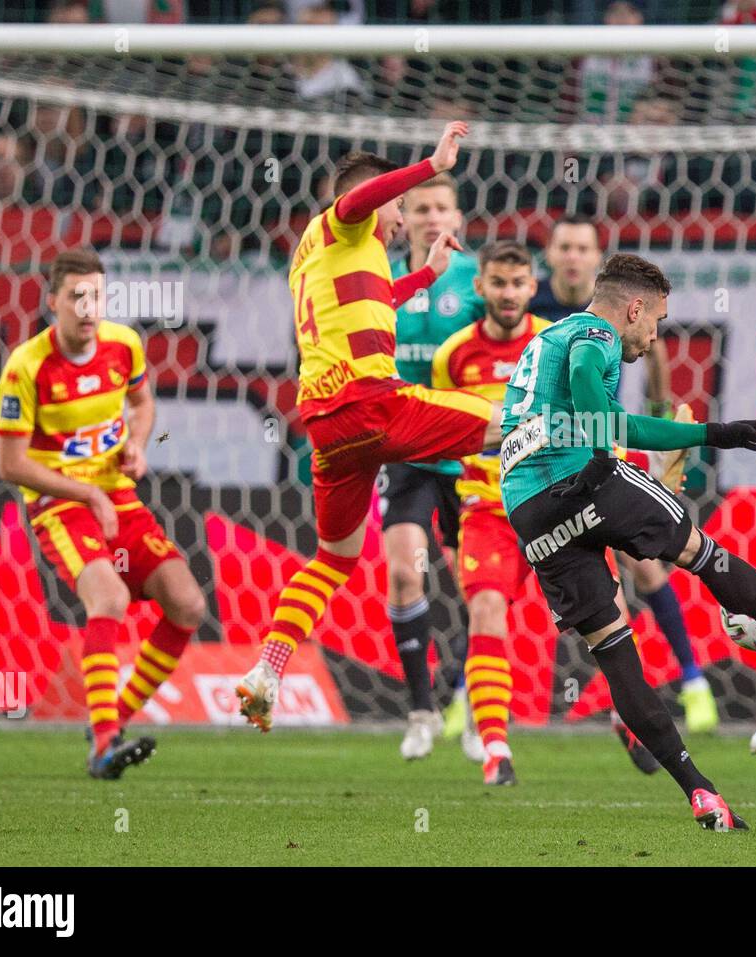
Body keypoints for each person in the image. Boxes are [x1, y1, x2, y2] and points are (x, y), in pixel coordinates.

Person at [499, 253, 756, 830]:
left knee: (614, 653)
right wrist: (715, 433)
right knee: (700, 554)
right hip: (580, 477)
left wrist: (603, 434)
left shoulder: (543, 341)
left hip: (529, 509)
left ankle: (702, 794)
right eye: (656, 321)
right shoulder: (594, 332)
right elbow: (595, 401)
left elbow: (600, 424)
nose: (654, 335)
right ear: (633, 308)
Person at [235, 122, 504, 732]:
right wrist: (431, 164)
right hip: (371, 404)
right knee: (513, 417)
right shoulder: (345, 221)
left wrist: (429, 274)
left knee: (333, 558)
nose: (403, 224)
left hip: (326, 429)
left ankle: (267, 671)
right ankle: (609, 454)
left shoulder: (320, 259)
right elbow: (357, 200)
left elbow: (382, 297)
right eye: (401, 211)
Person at [0, 248, 207, 779]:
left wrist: (137, 444)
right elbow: (10, 464)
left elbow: (142, 404)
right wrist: (86, 494)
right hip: (60, 505)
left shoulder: (124, 345)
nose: (89, 308)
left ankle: (108, 725)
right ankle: (106, 744)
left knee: (187, 604)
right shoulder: (27, 366)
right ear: (53, 303)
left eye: (97, 295)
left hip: (117, 494)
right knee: (108, 596)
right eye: (76, 297)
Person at [533, 214, 720, 736]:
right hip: (548, 458)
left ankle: (689, 680)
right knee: (593, 576)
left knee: (645, 566)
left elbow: (655, 350)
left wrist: (661, 415)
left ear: (596, 261)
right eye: (564, 246)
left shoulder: (616, 312)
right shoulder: (532, 306)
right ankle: (634, 701)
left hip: (604, 441)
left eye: (582, 248)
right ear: (550, 256)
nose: (572, 256)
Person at [431, 241, 550, 785]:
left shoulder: (554, 346)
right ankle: (496, 749)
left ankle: (631, 721)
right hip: (485, 509)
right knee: (484, 612)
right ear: (479, 288)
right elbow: (443, 435)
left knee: (609, 611)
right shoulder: (452, 356)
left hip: (553, 506)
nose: (507, 293)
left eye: (517, 283)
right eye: (497, 283)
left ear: (532, 285)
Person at [383, 170, 485, 761]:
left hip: (470, 447)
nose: (430, 218)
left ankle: (473, 701)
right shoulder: (385, 281)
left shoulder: (477, 280)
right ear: (405, 219)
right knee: (403, 574)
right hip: (407, 449)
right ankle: (422, 709)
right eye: (419, 208)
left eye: (441, 207)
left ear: (457, 218)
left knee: (480, 588)